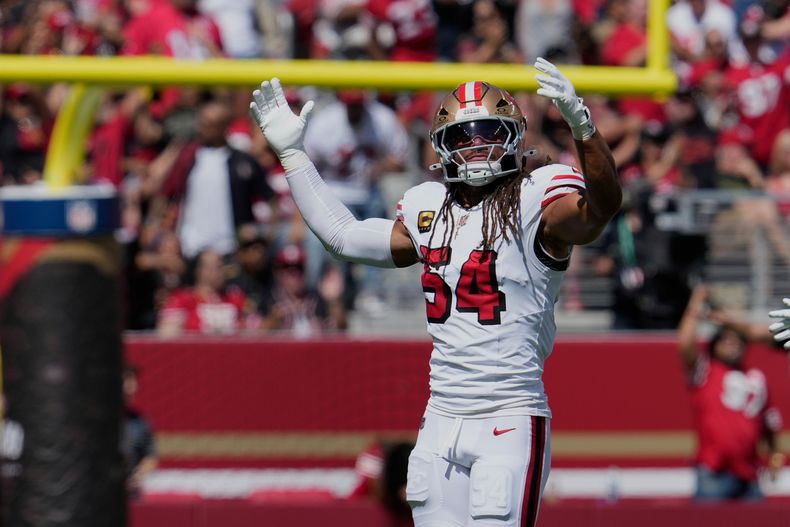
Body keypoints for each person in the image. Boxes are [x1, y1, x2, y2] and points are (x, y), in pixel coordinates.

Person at [250, 58, 621, 526]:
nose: (475, 145)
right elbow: (342, 236)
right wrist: (293, 155)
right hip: (440, 415)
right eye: (462, 136)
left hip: (509, 413)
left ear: (513, 133)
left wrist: (581, 124)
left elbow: (601, 208)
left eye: (487, 130)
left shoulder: (536, 195)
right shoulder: (427, 207)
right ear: (441, 146)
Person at [679, 285, 784, 500]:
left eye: (737, 341)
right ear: (714, 345)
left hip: (750, 473)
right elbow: (685, 344)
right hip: (714, 472)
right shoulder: (706, 371)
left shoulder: (755, 378)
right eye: (725, 340)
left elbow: (768, 421)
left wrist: (774, 454)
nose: (732, 344)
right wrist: (696, 302)